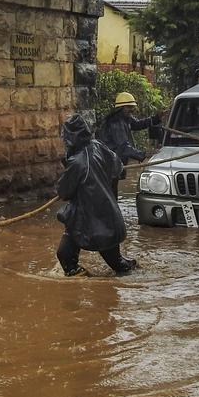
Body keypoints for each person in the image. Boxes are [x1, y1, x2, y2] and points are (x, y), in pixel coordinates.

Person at [56, 115, 138, 278]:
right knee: (118, 264)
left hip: (88, 220)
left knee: (66, 257)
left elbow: (63, 192)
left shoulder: (77, 162)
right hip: (104, 216)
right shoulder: (98, 146)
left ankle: (89, 287)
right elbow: (119, 168)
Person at [97, 92, 162, 194]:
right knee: (109, 191)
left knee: (112, 190)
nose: (132, 109)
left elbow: (137, 124)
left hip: (114, 161)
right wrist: (142, 154)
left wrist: (155, 119)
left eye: (132, 107)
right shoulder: (116, 123)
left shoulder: (125, 118)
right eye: (129, 107)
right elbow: (123, 147)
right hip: (109, 162)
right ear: (121, 108)